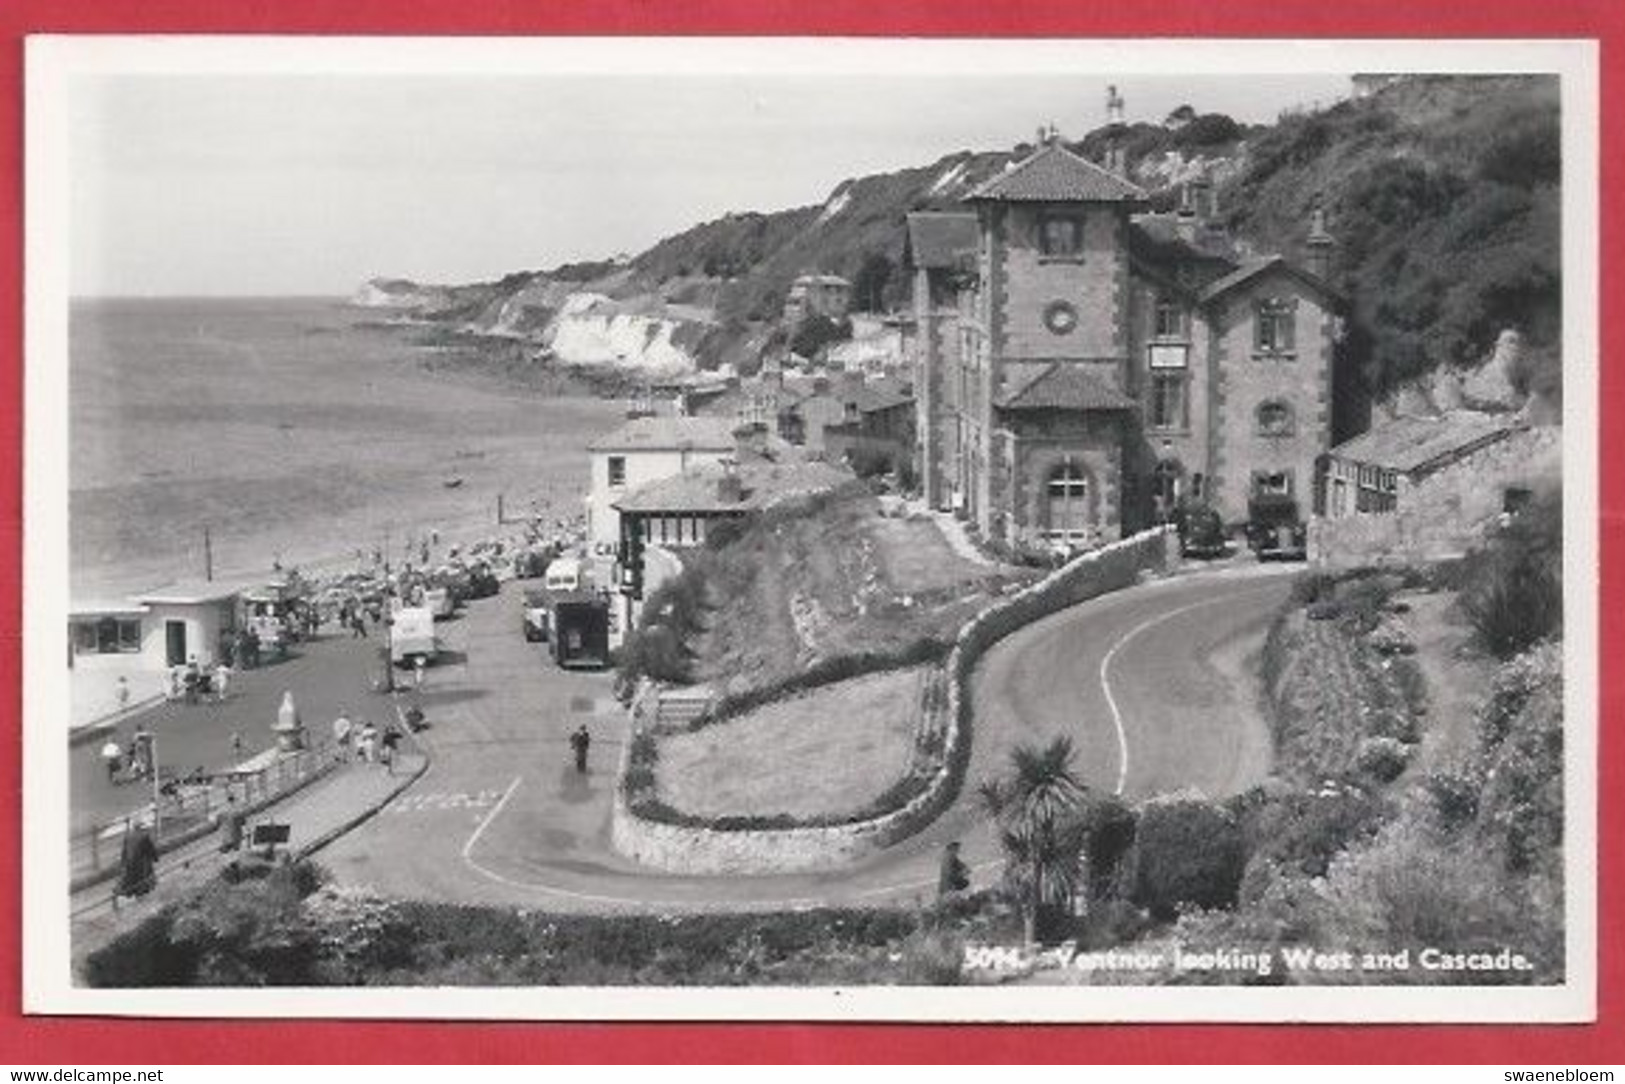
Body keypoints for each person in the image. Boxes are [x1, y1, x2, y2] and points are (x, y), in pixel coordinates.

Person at [116, 824, 159, 902]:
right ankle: (142, 897)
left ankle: (131, 894)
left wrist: (123, 863)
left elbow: (124, 852)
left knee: (131, 881)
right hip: (141, 864)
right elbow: (151, 850)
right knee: (144, 879)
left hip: (130, 864)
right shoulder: (145, 836)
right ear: (142, 828)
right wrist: (155, 858)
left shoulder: (127, 836)